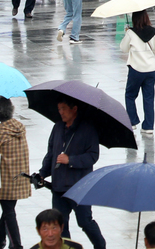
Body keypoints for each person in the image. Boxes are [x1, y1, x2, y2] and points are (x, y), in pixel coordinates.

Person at [39, 96, 106, 249]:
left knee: (84, 221)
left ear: (74, 109)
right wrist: (42, 173)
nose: (60, 112)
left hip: (80, 187)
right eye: (59, 109)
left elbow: (93, 156)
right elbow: (51, 154)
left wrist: (71, 160)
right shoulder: (57, 128)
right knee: (60, 225)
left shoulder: (88, 129)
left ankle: (100, 245)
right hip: (58, 187)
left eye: (63, 109)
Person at [0, 98, 31, 249]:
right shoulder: (20, 127)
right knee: (9, 209)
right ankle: (0, 237)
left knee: (8, 212)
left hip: (5, 179)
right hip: (20, 177)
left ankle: (16, 245)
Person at [121, 10, 155, 134]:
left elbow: (123, 48)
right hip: (151, 69)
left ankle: (132, 121)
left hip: (136, 69)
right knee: (149, 98)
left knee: (130, 95)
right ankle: (148, 126)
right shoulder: (154, 31)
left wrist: (127, 33)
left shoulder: (131, 33)